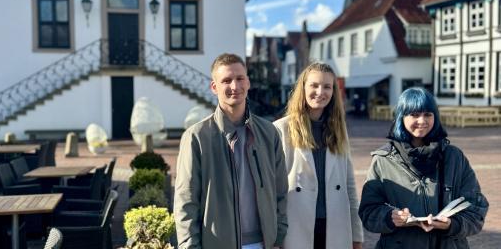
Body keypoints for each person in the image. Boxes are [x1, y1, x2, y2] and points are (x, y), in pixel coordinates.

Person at [174, 53, 288, 249]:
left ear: (248, 82)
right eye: (226, 80)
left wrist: (278, 238)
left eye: (239, 78)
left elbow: (281, 191)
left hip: (264, 243)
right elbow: (186, 201)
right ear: (214, 87)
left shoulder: (269, 133)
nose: (235, 87)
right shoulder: (196, 137)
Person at [359, 87, 489, 248]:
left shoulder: (454, 157)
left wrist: (452, 224)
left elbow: (476, 207)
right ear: (401, 117)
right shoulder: (383, 160)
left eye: (428, 114)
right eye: (414, 114)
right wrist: (389, 217)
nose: (422, 121)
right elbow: (368, 211)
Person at [273, 62, 363, 249]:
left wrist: (357, 235)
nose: (320, 92)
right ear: (303, 88)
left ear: (333, 92)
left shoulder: (339, 128)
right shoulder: (281, 129)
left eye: (327, 87)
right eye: (314, 85)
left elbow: (349, 187)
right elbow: (274, 189)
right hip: (296, 226)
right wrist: (275, 237)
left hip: (335, 225)